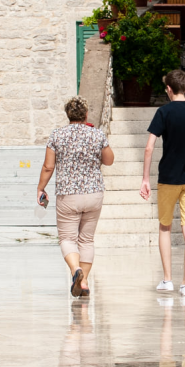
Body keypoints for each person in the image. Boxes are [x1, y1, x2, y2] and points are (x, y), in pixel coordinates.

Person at [139, 70, 185, 297]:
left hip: (168, 178)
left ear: (168, 89)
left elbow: (149, 147)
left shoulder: (163, 112)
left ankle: (167, 280)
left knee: (165, 227)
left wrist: (145, 179)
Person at [38, 96, 113, 297]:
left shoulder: (57, 135)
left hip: (68, 195)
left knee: (67, 238)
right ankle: (85, 281)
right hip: (93, 193)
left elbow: (48, 166)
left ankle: (75, 270)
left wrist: (40, 188)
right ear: (86, 114)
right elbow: (109, 160)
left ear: (68, 115)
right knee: (87, 240)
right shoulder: (96, 134)